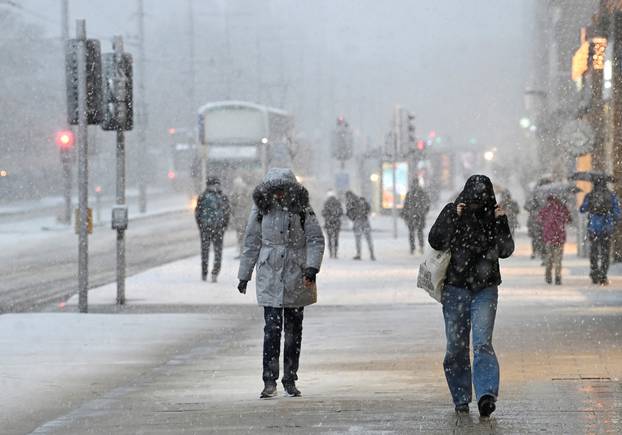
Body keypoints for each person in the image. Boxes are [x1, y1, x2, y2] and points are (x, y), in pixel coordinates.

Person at [428, 174, 514, 417]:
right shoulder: (453, 211)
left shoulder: (494, 215)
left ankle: (486, 394)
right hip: (455, 289)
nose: (477, 203)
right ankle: (461, 397)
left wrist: (500, 221)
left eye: (481, 199)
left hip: (485, 290)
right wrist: (453, 216)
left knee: (482, 344)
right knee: (456, 346)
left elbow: (506, 250)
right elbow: (436, 241)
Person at [237, 168, 325, 399]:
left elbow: (316, 239)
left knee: (294, 331)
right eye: (274, 190)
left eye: (282, 190)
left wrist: (312, 267)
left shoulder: (302, 209)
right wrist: (244, 275)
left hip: (297, 276)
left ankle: (290, 378)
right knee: (272, 330)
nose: (278, 195)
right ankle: (269, 379)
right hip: (270, 276)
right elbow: (252, 242)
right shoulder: (260, 210)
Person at [580, 178, 621, 285]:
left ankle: (594, 272)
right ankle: (603, 275)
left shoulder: (590, 195)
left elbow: (582, 209)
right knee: (605, 253)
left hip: (593, 228)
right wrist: (612, 219)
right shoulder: (611, 196)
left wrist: (590, 206)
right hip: (606, 229)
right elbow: (618, 213)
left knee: (594, 252)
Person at [194, 176, 231, 282]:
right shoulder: (223, 197)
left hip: (205, 228)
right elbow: (227, 213)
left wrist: (201, 226)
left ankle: (204, 274)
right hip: (218, 228)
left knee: (205, 252)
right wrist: (224, 226)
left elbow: (197, 213)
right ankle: (215, 273)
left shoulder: (202, 196)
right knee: (218, 252)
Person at [538, 196, 571, 285]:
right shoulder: (562, 208)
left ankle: (548, 276)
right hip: (559, 237)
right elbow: (569, 220)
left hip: (548, 237)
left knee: (549, 258)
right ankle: (558, 277)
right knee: (558, 259)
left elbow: (539, 219)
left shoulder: (546, 209)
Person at [401, 182, 431, 254]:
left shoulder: (410, 194)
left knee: (412, 232)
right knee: (420, 232)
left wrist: (405, 213)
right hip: (420, 215)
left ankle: (412, 248)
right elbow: (428, 203)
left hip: (412, 215)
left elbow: (406, 205)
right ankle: (421, 246)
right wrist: (424, 212)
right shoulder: (422, 193)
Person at [345, 191, 376, 261]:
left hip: (358, 221)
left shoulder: (351, 202)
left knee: (358, 239)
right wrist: (364, 214)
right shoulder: (361, 200)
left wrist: (353, 218)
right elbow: (368, 208)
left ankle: (359, 254)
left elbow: (348, 213)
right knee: (368, 239)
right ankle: (372, 254)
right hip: (365, 221)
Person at [230, 176, 252, 259]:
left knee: (241, 235)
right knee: (245, 235)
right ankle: (245, 252)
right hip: (245, 216)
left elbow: (233, 203)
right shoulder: (247, 190)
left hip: (240, 216)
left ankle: (242, 252)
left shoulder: (236, 192)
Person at [321, 192, 344, 259]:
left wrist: (328, 217)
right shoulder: (337, 204)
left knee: (329, 239)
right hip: (336, 224)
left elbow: (323, 213)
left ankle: (331, 253)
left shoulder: (327, 204)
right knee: (336, 239)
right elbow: (341, 212)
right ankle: (335, 253)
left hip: (329, 224)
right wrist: (335, 216)